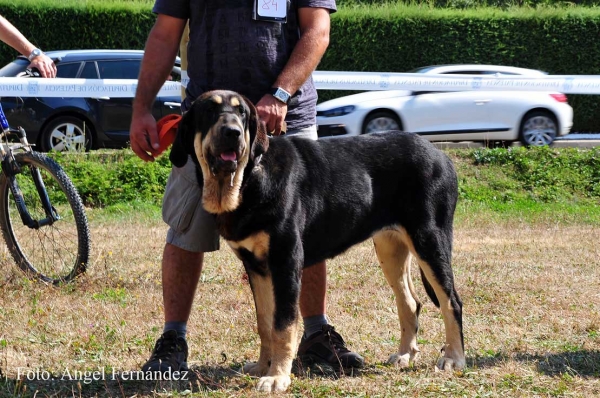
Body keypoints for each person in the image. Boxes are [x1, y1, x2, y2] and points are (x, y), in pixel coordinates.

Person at [129, 0, 364, 374]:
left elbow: (317, 31)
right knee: (186, 231)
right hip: (207, 124)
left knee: (302, 235)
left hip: (286, 121)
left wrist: (281, 93)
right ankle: (173, 341)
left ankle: (316, 334)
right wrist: (141, 107)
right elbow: (165, 33)